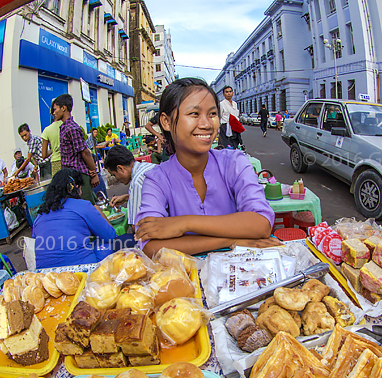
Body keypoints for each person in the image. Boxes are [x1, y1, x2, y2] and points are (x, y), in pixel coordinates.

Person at [134, 77, 278, 257]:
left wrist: (184, 223)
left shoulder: (234, 162)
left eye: (212, 114)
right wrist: (229, 241)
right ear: (166, 122)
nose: (207, 124)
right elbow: (149, 247)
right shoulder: (156, 179)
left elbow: (261, 223)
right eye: (194, 114)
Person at [32, 168, 116, 269]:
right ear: (76, 187)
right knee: (106, 244)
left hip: (46, 276)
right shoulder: (83, 206)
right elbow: (111, 236)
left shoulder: (40, 214)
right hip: (81, 271)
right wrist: (98, 210)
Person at [52, 93, 99, 204]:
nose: (54, 113)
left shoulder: (71, 128)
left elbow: (85, 153)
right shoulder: (64, 127)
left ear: (63, 108)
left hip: (79, 176)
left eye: (55, 109)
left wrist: (94, 174)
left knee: (88, 207)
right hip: (71, 175)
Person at [104, 144, 155, 233]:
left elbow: (136, 227)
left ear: (120, 168)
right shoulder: (148, 166)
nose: (117, 179)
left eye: (114, 175)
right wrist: (128, 197)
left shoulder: (136, 182)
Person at [41, 112, 62, 177]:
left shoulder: (47, 130)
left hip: (55, 162)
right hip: (68, 159)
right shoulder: (65, 125)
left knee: (59, 184)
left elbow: (44, 155)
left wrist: (53, 149)